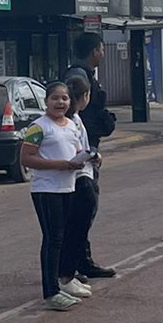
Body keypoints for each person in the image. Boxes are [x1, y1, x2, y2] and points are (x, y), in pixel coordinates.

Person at [21, 80, 88, 311]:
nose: (60, 102)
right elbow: (26, 158)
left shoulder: (72, 126)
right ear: (46, 101)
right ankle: (50, 292)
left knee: (62, 237)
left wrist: (89, 158)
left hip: (68, 187)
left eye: (65, 98)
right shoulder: (38, 127)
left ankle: (62, 282)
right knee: (53, 239)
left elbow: (77, 151)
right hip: (46, 189)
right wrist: (59, 164)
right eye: (55, 98)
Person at [62, 31, 116, 278]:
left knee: (85, 210)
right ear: (95, 50)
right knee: (82, 210)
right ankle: (71, 267)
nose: (103, 53)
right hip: (79, 155)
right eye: (102, 48)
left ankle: (81, 261)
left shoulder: (85, 74)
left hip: (87, 150)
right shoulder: (78, 76)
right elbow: (73, 114)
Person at [59, 76, 99, 300]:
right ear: (85, 96)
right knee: (75, 231)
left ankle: (68, 275)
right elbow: (75, 150)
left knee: (75, 231)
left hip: (81, 175)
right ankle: (65, 277)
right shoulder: (69, 122)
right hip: (80, 179)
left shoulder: (74, 119)